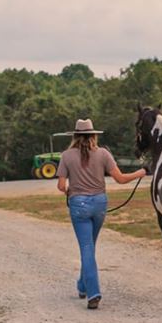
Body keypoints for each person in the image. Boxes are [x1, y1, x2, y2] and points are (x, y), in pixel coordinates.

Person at [56, 118, 147, 310]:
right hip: (99, 204)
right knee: (90, 246)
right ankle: (82, 285)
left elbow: (61, 186)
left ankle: (93, 292)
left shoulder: (66, 156)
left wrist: (69, 191)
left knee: (86, 248)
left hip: (78, 204)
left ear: (74, 136)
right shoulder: (103, 154)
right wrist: (140, 173)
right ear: (93, 135)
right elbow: (121, 179)